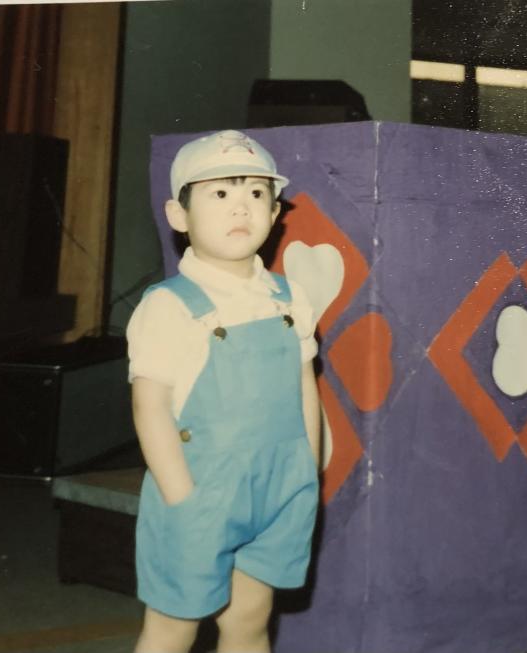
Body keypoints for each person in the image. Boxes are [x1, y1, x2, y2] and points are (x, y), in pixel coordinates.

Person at [126, 130, 321, 653]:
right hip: (199, 490)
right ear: (178, 215)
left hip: (280, 489)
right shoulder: (169, 305)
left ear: (276, 211)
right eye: (219, 193)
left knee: (249, 623)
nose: (241, 207)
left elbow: (304, 382)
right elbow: (150, 408)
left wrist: (311, 465)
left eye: (256, 194)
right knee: (173, 629)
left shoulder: (288, 296)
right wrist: (180, 497)